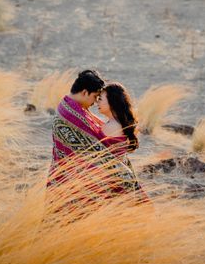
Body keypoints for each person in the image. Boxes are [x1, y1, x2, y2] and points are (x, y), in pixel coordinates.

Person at [47, 70, 143, 204]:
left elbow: (96, 144)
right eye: (95, 97)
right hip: (74, 178)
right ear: (85, 93)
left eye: (100, 98)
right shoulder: (70, 114)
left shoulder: (68, 107)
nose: (94, 103)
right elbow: (92, 146)